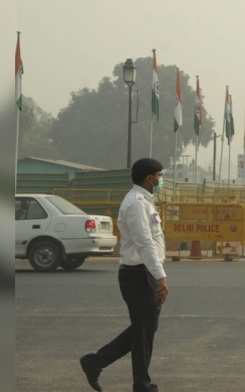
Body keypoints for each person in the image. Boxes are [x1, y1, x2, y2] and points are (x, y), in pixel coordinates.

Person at [80, 158, 169, 392]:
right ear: (149, 178)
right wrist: (161, 276)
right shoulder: (137, 204)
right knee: (143, 330)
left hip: (142, 273)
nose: (161, 180)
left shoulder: (144, 202)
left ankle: (95, 362)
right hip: (138, 274)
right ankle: (142, 385)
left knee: (143, 329)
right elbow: (144, 242)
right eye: (159, 176)